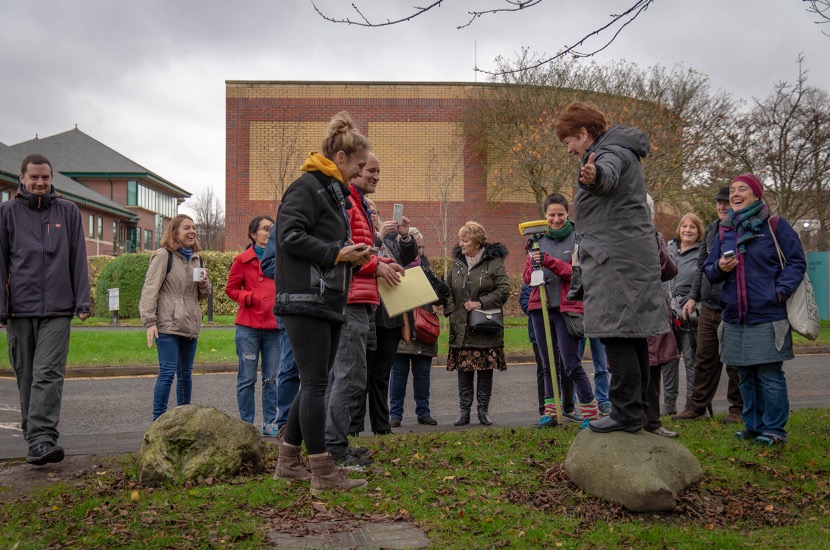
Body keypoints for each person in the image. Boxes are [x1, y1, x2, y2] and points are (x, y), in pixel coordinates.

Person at [272, 111, 374, 492]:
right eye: (359, 166)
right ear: (342, 158)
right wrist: (337, 253)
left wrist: (350, 255)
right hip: (305, 299)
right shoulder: (308, 187)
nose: (360, 174)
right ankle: (323, 472)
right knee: (316, 384)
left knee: (312, 383)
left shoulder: (332, 192)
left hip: (325, 298)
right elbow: (289, 236)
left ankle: (288, 461)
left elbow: (319, 242)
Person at [555, 101, 669, 434]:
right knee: (632, 337)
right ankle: (640, 412)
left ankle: (625, 413)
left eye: (569, 143)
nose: (569, 150)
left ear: (583, 133)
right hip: (626, 259)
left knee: (617, 335)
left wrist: (593, 177)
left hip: (615, 263)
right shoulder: (618, 148)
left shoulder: (610, 154)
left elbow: (605, 176)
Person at [0, 154, 91, 465]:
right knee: (26, 375)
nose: (40, 183)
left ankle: (42, 438)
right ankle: (35, 440)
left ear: (52, 179)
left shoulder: (68, 211)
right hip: (19, 309)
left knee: (48, 373)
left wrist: (82, 300)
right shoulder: (7, 212)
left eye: (45, 178)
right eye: (34, 178)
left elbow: (78, 256)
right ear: (22, 179)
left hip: (57, 307)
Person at [704, 173, 806, 446]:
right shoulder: (726, 230)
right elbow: (709, 270)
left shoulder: (774, 225)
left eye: (742, 189)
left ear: (756, 195)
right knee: (745, 375)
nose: (735, 194)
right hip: (735, 316)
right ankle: (753, 425)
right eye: (733, 190)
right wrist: (719, 268)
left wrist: (780, 291)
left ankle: (774, 430)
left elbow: (796, 261)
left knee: (769, 375)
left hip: (768, 314)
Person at [325, 154, 405, 469]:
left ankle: (336, 443)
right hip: (350, 299)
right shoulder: (347, 201)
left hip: (361, 299)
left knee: (348, 377)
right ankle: (334, 449)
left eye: (376, 171)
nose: (374, 175)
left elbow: (364, 249)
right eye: (368, 169)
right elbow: (344, 249)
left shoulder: (357, 202)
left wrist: (383, 262)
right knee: (348, 377)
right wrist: (376, 266)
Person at [348, 160, 417, 437]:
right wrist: (377, 236)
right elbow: (361, 257)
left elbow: (408, 261)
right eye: (369, 211)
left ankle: (381, 425)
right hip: (365, 313)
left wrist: (404, 237)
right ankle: (353, 426)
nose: (372, 214)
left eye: (375, 212)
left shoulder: (390, 240)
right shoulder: (370, 236)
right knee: (359, 375)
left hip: (389, 316)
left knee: (381, 375)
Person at [523, 193, 599, 427]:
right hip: (541, 308)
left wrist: (548, 262)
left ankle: (590, 413)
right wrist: (535, 267)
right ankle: (551, 412)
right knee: (547, 365)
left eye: (560, 214)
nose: (556, 219)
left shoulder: (577, 239)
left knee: (570, 363)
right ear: (545, 216)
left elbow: (577, 274)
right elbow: (527, 278)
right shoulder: (536, 241)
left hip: (567, 309)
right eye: (551, 215)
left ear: (568, 215)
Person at [673, 187, 744, 423]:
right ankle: (696, 407)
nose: (723, 207)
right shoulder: (713, 229)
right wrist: (693, 297)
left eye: (727, 203)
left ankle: (738, 410)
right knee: (704, 358)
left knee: (733, 361)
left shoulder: (741, 228)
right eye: (719, 203)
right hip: (708, 306)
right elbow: (702, 267)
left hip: (732, 306)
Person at [140, 214, 212, 420]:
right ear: (175, 232)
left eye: (194, 228)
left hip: (190, 324)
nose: (192, 232)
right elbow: (149, 289)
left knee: (186, 375)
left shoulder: (197, 258)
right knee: (167, 373)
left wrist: (205, 283)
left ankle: (183, 421)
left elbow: (201, 295)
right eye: (186, 228)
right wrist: (150, 322)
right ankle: (157, 422)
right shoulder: (164, 255)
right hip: (168, 324)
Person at [445, 221, 510, 426]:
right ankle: (464, 412)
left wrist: (480, 302)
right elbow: (447, 289)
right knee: (464, 371)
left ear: (477, 242)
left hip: (484, 325)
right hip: (462, 327)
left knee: (484, 370)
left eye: (465, 240)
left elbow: (503, 290)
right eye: (460, 240)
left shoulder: (494, 262)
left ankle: (483, 411)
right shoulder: (457, 262)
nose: (460, 243)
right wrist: (450, 311)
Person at [224, 215, 281, 435]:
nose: (269, 232)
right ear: (253, 234)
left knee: (271, 379)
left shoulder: (280, 257)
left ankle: (270, 423)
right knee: (247, 378)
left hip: (275, 327)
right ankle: (246, 424)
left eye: (271, 229)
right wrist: (249, 297)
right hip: (249, 327)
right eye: (265, 229)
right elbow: (230, 289)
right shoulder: (242, 259)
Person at [390, 227, 449, 427]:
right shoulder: (394, 266)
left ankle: (423, 412)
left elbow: (439, 299)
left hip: (424, 328)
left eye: (422, 246)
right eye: (418, 246)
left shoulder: (427, 268)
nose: (420, 251)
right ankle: (395, 414)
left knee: (422, 374)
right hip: (402, 327)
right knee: (398, 375)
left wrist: (440, 288)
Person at [660, 213, 705, 416]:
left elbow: (704, 281)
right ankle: (669, 404)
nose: (688, 230)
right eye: (684, 226)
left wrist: (693, 300)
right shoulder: (668, 249)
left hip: (689, 313)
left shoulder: (702, 252)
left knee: (691, 359)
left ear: (698, 232)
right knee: (669, 359)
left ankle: (692, 404)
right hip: (666, 311)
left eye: (692, 227)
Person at [644, 194, 680, 438]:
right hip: (627, 310)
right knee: (629, 367)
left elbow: (669, 271)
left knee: (653, 366)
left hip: (653, 308)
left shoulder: (656, 237)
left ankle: (652, 422)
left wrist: (656, 247)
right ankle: (629, 418)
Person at [260, 226, 299, 440]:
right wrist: (301, 267)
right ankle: (285, 423)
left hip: (322, 307)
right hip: (291, 306)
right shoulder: (281, 227)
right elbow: (268, 265)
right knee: (290, 367)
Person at [578, 338, 611, 415]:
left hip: (597, 329)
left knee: (602, 369)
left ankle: (603, 401)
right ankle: (569, 403)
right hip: (579, 328)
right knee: (573, 367)